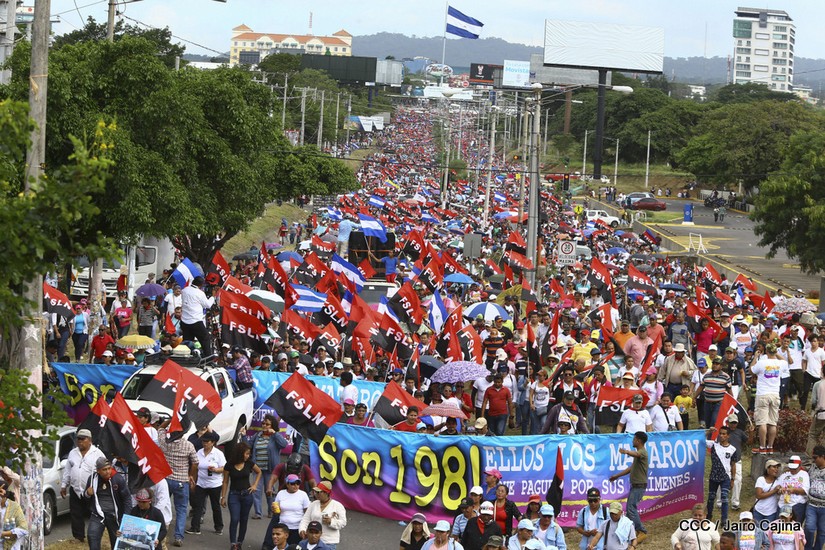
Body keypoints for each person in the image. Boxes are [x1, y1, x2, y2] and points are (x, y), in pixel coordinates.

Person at [60, 428, 106, 543]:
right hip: (76, 489)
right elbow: (68, 470)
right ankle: (78, 536)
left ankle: (95, 535)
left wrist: (101, 486)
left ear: (89, 440)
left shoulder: (97, 453)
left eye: (83, 439)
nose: (80, 441)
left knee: (94, 513)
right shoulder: (73, 453)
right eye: (78, 439)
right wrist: (64, 485)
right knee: (76, 513)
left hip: (91, 489)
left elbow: (105, 469)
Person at [157, 426, 198, 547]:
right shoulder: (188, 445)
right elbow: (195, 463)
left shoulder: (165, 443)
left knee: (162, 505)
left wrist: (170, 421)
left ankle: (159, 532)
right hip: (182, 481)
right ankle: (178, 537)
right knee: (181, 509)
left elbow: (160, 429)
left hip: (166, 480)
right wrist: (191, 475)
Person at [608, 432, 648, 543]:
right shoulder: (639, 454)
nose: (633, 441)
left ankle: (642, 531)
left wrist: (626, 452)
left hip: (639, 486)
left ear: (639, 440)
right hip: (635, 486)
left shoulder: (642, 452)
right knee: (630, 510)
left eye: (634, 439)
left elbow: (637, 454)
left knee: (631, 508)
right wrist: (617, 476)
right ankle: (635, 531)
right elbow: (630, 469)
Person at [221, 442, 262, 550]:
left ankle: (239, 542)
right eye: (246, 453)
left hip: (247, 494)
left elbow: (259, 472)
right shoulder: (229, 465)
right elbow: (225, 481)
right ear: (240, 453)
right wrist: (223, 496)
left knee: (244, 519)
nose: (248, 456)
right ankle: (233, 543)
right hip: (234, 494)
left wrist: (255, 485)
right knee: (234, 519)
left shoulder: (249, 463)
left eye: (249, 454)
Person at [85, 457, 131, 550]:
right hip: (98, 514)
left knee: (117, 542)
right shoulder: (92, 479)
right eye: (104, 469)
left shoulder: (118, 479)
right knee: (92, 536)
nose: (108, 472)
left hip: (114, 516)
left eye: (109, 468)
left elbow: (127, 499)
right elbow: (85, 498)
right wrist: (87, 493)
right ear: (98, 471)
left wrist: (126, 518)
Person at [248, 415, 288, 519]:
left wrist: (275, 434)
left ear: (272, 426)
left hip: (270, 470)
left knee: (269, 491)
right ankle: (258, 513)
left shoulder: (275, 437)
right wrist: (243, 436)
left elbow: (284, 445)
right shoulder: (257, 435)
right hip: (257, 469)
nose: (264, 426)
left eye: (267, 424)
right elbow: (248, 446)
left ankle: (271, 511)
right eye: (263, 423)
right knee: (256, 491)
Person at [187, 431, 225, 536]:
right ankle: (195, 527)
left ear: (212, 443)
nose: (204, 443)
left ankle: (219, 527)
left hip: (214, 484)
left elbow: (224, 468)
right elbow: (195, 467)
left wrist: (216, 470)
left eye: (207, 442)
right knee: (198, 505)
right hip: (201, 483)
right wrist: (193, 480)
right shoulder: (199, 452)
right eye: (203, 441)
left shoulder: (218, 454)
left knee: (215, 506)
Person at [752, 343, 785, 453]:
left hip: (763, 394)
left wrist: (755, 357)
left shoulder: (762, 362)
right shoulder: (781, 363)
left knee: (762, 422)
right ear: (775, 351)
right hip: (775, 394)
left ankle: (762, 447)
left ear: (766, 351)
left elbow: (752, 370)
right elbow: (785, 361)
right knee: (772, 422)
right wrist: (777, 354)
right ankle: (770, 446)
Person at [705, 426, 739, 527]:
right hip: (714, 476)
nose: (721, 435)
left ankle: (724, 520)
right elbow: (701, 440)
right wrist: (709, 432)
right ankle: (708, 516)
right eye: (720, 433)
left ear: (728, 436)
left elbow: (733, 465)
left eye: (724, 434)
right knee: (711, 497)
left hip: (725, 477)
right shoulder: (713, 445)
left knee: (724, 498)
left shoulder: (732, 449)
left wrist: (732, 479)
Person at [299, 481, 346, 550]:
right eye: (315, 492)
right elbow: (305, 519)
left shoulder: (337, 506)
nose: (316, 494)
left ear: (326, 493)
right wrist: (302, 529)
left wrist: (331, 522)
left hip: (329, 542)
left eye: (318, 492)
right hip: (312, 541)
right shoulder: (313, 504)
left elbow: (343, 523)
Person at [180, 275, 214, 355]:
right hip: (195, 321)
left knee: (187, 342)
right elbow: (208, 305)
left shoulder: (184, 290)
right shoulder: (200, 293)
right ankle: (208, 357)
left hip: (184, 321)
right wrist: (213, 297)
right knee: (205, 338)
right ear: (201, 285)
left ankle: (186, 356)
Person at [274, 474, 309, 545]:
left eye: (298, 483)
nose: (296, 486)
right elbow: (277, 511)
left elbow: (307, 513)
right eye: (293, 483)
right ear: (287, 484)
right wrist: (274, 509)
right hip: (283, 527)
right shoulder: (281, 493)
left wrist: (305, 527)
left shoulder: (303, 494)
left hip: (297, 527)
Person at [778, 455, 810, 525]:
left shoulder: (804, 474)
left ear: (800, 466)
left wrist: (794, 490)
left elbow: (806, 491)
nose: (792, 470)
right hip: (782, 504)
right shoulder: (785, 474)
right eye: (791, 468)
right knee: (780, 527)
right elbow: (778, 487)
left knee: (794, 527)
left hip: (796, 505)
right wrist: (780, 489)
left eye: (794, 469)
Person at [805, 446, 825, 550]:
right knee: (809, 528)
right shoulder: (812, 467)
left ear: (823, 457)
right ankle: (807, 548)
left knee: (822, 531)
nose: (814, 460)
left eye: (815, 457)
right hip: (811, 504)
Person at [0, 480, 27, 550]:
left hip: (11, 547)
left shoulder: (14, 507)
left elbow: (24, 528)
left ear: (5, 494)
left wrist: (3, 534)